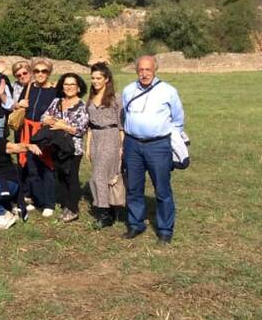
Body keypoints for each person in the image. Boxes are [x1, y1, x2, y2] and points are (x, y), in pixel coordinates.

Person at [121, 55, 185, 244]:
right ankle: (135, 224)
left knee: (162, 189)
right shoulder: (128, 90)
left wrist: (172, 141)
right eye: (141, 70)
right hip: (132, 145)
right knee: (133, 187)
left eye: (148, 69)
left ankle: (165, 229)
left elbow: (178, 119)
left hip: (158, 146)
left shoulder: (168, 91)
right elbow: (125, 114)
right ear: (136, 71)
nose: (144, 74)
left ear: (155, 70)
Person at [40, 73, 90, 223]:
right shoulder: (56, 102)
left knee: (71, 177)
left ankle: (73, 208)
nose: (68, 87)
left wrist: (61, 125)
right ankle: (66, 205)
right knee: (60, 176)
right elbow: (44, 118)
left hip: (73, 148)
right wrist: (53, 121)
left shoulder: (82, 106)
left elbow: (81, 129)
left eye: (72, 84)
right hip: (56, 146)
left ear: (78, 87)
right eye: (66, 84)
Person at [17, 59, 58, 217]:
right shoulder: (29, 87)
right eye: (37, 71)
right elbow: (20, 105)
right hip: (27, 131)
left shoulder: (54, 91)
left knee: (46, 167)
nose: (40, 74)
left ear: (49, 73)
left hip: (43, 132)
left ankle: (49, 203)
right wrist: (19, 104)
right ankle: (36, 199)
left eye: (44, 71)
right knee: (31, 167)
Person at [86, 62, 124, 228]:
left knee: (99, 176)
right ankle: (112, 209)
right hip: (95, 138)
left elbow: (121, 125)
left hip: (111, 136)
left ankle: (103, 213)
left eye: (98, 78)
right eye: (93, 78)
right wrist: (88, 146)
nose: (95, 81)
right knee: (103, 174)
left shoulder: (115, 99)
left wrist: (122, 146)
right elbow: (89, 126)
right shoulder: (90, 98)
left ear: (107, 79)